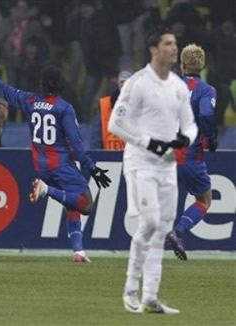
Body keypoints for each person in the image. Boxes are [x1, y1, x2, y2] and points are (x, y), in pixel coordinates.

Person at [0, 57, 111, 263]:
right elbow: (77, 143)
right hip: (62, 165)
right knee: (86, 205)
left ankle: (78, 251)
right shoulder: (64, 108)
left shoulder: (30, 101)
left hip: (41, 165)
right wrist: (92, 167)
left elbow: (0, 87)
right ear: (61, 83)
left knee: (70, 203)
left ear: (41, 84)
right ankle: (46, 190)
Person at [108, 26, 198, 314]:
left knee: (161, 230)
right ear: (154, 50)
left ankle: (150, 296)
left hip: (167, 167)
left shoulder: (178, 87)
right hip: (141, 164)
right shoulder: (137, 84)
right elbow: (115, 124)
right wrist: (149, 142)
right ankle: (130, 290)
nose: (174, 48)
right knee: (148, 224)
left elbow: (191, 125)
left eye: (175, 43)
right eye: (168, 44)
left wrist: (186, 138)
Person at [165, 44, 218, 261]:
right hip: (190, 156)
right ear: (202, 65)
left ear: (182, 65)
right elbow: (206, 114)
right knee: (204, 199)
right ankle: (178, 232)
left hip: (165, 155)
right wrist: (212, 139)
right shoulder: (206, 90)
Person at [98, 70, 132, 150]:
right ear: (118, 84)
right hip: (109, 158)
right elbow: (96, 139)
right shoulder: (105, 105)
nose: (124, 85)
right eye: (122, 82)